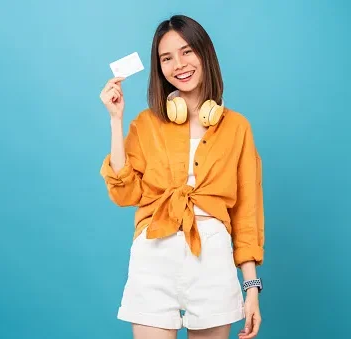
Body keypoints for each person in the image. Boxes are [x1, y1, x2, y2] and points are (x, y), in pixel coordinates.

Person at [99, 14, 265, 339]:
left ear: (204, 54)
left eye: (187, 51)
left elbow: (247, 212)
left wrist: (251, 288)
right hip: (153, 256)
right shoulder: (146, 124)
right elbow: (124, 194)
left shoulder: (237, 127)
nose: (179, 64)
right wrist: (116, 121)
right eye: (167, 57)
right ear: (159, 67)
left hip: (213, 258)